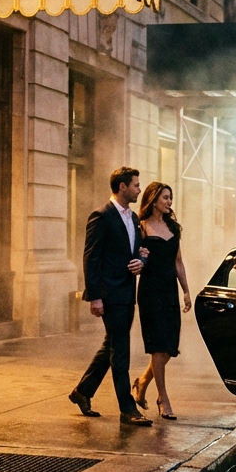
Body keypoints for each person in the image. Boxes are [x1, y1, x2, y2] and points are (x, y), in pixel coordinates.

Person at [69, 167, 152, 427]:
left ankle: (82, 392)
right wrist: (94, 297)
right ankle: (127, 409)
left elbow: (138, 250)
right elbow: (90, 258)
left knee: (112, 346)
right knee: (121, 351)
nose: (139, 189)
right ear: (122, 187)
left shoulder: (134, 217)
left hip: (128, 292)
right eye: (136, 185)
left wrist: (141, 260)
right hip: (110, 293)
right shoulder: (102, 216)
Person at [132, 182, 191, 421]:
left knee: (168, 349)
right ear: (153, 199)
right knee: (158, 346)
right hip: (150, 291)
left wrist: (186, 290)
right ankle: (163, 398)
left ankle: (142, 381)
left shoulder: (174, 227)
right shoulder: (141, 227)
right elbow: (133, 256)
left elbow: (178, 262)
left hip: (169, 291)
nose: (169, 202)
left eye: (171, 198)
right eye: (165, 197)